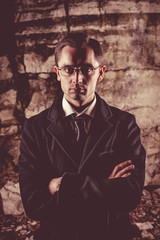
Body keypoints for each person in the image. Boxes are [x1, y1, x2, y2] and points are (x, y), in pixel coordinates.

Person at [19, 32, 145, 240]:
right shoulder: (34, 128)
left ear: (100, 72)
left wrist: (60, 185)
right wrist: (105, 185)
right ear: (57, 73)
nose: (77, 79)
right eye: (68, 70)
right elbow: (33, 204)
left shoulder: (124, 124)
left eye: (87, 69)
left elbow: (129, 196)